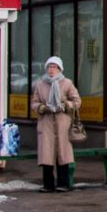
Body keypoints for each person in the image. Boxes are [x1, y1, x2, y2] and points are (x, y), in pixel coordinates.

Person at [32, 55, 81, 191]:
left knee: (62, 154)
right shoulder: (40, 84)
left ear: (60, 69)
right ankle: (48, 185)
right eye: (49, 67)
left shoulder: (67, 83)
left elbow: (77, 101)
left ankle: (63, 184)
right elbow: (34, 103)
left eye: (54, 67)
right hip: (46, 123)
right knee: (47, 156)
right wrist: (42, 108)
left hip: (62, 124)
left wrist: (65, 105)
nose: (51, 70)